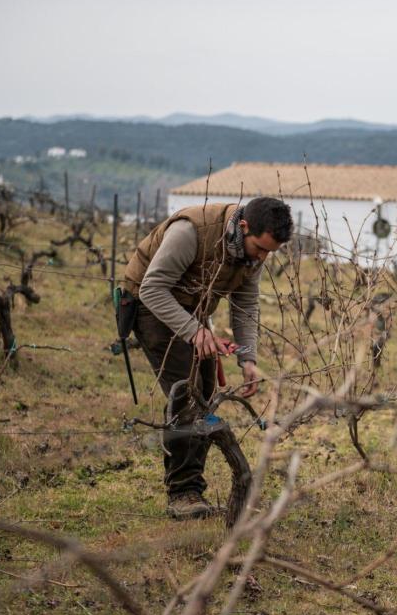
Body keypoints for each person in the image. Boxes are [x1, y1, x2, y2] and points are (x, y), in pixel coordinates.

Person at [123, 197, 293, 519]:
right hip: (150, 305)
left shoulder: (252, 252)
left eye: (270, 252)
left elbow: (245, 304)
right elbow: (152, 289)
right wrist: (195, 332)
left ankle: (192, 489)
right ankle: (183, 494)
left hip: (191, 309)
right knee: (188, 394)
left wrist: (248, 358)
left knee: (207, 391)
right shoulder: (190, 232)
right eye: (260, 248)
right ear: (244, 226)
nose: (262, 257)